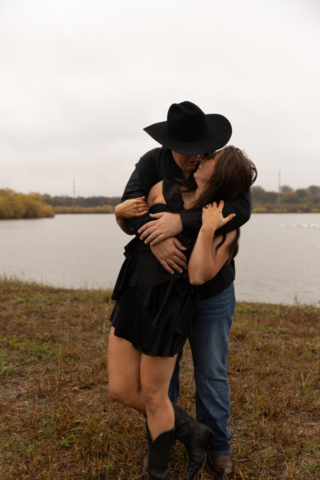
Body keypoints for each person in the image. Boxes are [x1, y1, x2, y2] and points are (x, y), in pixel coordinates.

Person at [113, 101, 253, 478]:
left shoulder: (218, 166)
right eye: (190, 152)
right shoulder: (152, 164)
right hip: (164, 293)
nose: (198, 158)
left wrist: (179, 223)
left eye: (203, 151)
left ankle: (218, 447)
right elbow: (132, 205)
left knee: (211, 372)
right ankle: (164, 441)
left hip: (211, 292)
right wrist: (155, 237)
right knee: (160, 379)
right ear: (171, 145)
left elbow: (240, 209)